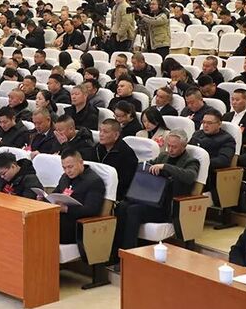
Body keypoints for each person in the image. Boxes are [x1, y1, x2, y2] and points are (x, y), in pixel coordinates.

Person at [111, 130, 199, 266]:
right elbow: (148, 166)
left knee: (134, 210)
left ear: (184, 146)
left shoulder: (191, 161)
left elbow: (189, 176)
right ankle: (117, 253)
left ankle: (130, 258)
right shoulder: (163, 156)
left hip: (167, 207)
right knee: (122, 206)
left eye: (174, 147)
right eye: (168, 146)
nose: (170, 149)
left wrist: (166, 167)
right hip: (151, 199)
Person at [49, 149, 105, 244]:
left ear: (81, 162)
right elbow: (55, 194)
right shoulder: (65, 178)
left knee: (45, 227)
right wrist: (45, 198)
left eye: (70, 167)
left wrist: (66, 209)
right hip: (60, 218)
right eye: (64, 168)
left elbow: (92, 210)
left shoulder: (94, 181)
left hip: (77, 225)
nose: (68, 171)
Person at [189, 109, 236, 189]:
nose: (205, 125)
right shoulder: (197, 134)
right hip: (192, 168)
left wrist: (201, 163)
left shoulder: (227, 139)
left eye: (209, 123)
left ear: (219, 124)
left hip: (210, 174)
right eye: (203, 122)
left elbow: (223, 161)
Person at [94, 119, 138, 200]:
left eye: (105, 132)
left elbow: (124, 183)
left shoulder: (127, 154)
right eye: (100, 131)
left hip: (115, 194)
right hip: (97, 188)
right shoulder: (97, 148)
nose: (101, 134)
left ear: (116, 135)